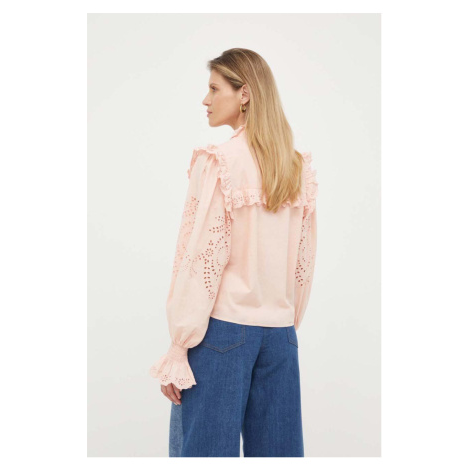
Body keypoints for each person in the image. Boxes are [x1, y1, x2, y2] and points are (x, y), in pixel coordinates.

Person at [149, 48, 318, 457]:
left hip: (222, 333)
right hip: (280, 336)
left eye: (214, 89)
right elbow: (304, 262)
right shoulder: (295, 168)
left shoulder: (220, 162)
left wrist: (179, 344)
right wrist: (284, 318)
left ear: (244, 94)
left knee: (204, 454)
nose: (205, 100)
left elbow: (201, 257)